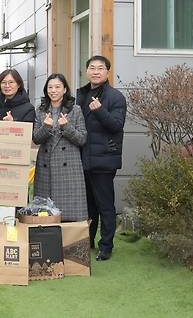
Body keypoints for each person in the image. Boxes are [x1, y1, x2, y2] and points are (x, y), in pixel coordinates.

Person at [76, 55, 126, 261]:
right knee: (88, 205)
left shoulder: (115, 97)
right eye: (92, 68)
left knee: (105, 205)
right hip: (83, 158)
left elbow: (116, 125)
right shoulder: (81, 94)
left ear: (107, 72)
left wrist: (100, 111)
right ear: (86, 71)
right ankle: (87, 241)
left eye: (100, 68)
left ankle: (106, 246)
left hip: (104, 159)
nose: (96, 72)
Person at [32, 74, 87, 221]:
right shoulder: (41, 110)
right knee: (45, 212)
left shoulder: (75, 110)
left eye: (57, 87)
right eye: (50, 87)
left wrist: (66, 127)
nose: (53, 90)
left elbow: (82, 139)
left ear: (64, 90)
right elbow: (36, 139)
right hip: (46, 166)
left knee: (70, 212)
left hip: (69, 168)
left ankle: (71, 239)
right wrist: (46, 127)